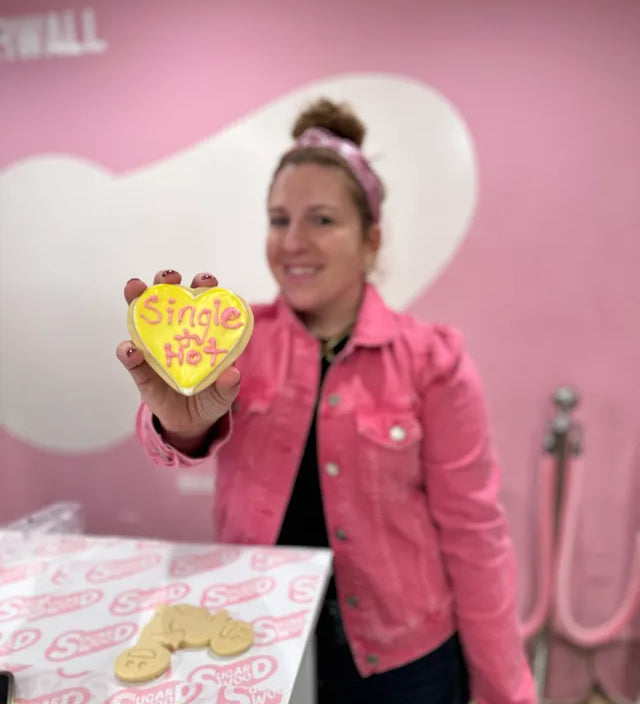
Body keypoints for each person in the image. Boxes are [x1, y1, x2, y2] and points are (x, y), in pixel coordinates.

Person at [117, 99, 537, 704]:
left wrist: (505, 688)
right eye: (278, 219)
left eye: (321, 220)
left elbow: (475, 534)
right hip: (261, 640)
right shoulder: (232, 343)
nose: (293, 242)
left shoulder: (434, 362)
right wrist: (179, 425)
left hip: (404, 663)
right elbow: (176, 434)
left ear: (371, 240)